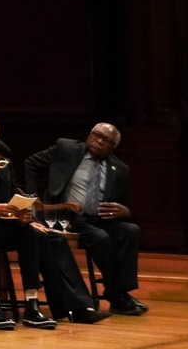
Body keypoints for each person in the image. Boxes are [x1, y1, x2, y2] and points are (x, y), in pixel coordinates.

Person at [0, 134, 106, 329]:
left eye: (0, 163)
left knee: (28, 232)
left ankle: (31, 304)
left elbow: (10, 200)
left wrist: (20, 215)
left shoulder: (5, 170)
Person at [24, 123, 147, 316]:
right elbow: (31, 163)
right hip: (70, 216)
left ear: (113, 146)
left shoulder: (120, 168)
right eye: (96, 135)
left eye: (105, 140)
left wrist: (125, 211)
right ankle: (118, 296)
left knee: (131, 230)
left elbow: (124, 201)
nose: (98, 141)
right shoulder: (66, 148)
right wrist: (32, 197)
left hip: (102, 218)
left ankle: (120, 292)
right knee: (101, 238)